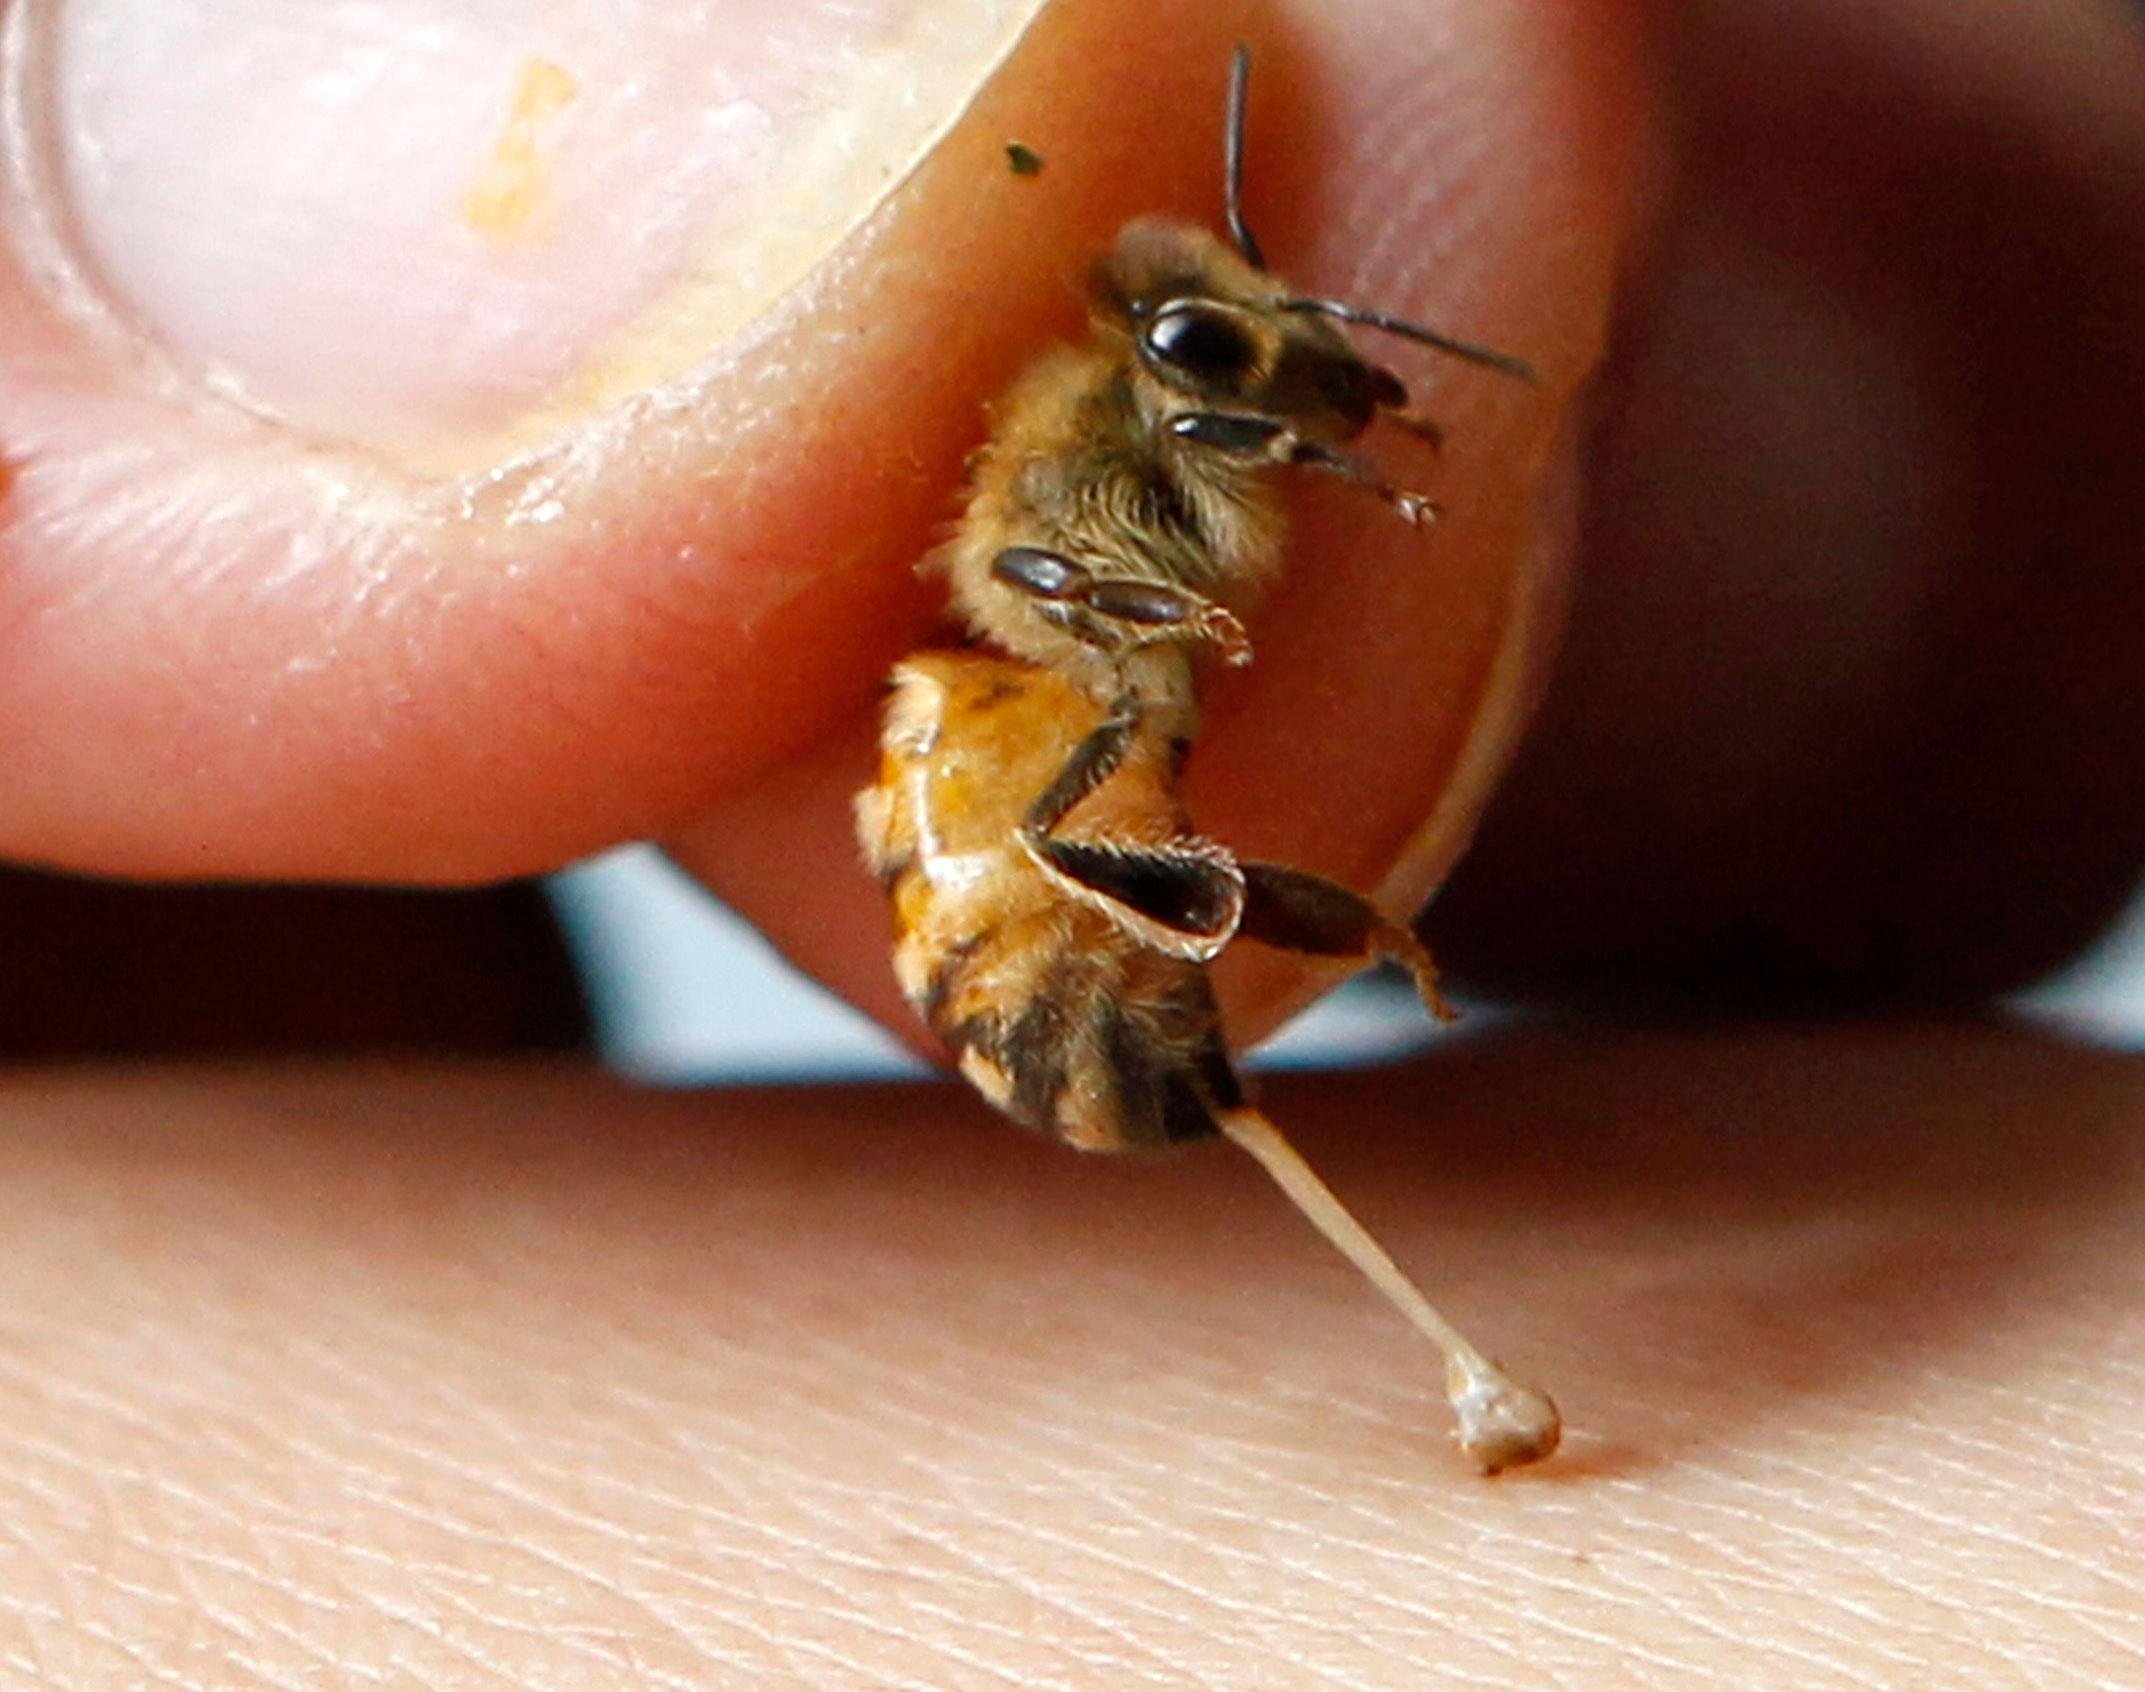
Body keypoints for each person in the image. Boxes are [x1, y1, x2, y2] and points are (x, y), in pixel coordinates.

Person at [0, 0, 2138, 1681]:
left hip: (1037, 782)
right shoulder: (1083, 466)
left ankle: (1334, 1025)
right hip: (1006, 799)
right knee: (1173, 922)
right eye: (1236, 373)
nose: (1287, 396)